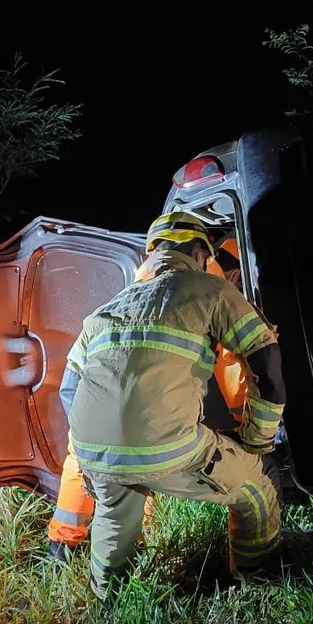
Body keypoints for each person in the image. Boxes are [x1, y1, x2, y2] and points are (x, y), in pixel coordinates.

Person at [59, 212, 286, 594]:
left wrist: (98, 450)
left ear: (153, 254)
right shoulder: (210, 289)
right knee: (258, 486)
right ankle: (256, 585)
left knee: (115, 519)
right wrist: (258, 442)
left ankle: (105, 598)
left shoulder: (103, 311)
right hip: (167, 447)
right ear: (199, 252)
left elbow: (69, 390)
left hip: (94, 453)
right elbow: (267, 363)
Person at [46, 232, 250, 560]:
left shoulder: (138, 284)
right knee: (147, 458)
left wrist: (86, 437)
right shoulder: (213, 292)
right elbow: (233, 371)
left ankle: (62, 546)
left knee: (84, 451)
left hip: (102, 396)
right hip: (149, 414)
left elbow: (70, 384)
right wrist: (246, 430)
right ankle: (147, 544)